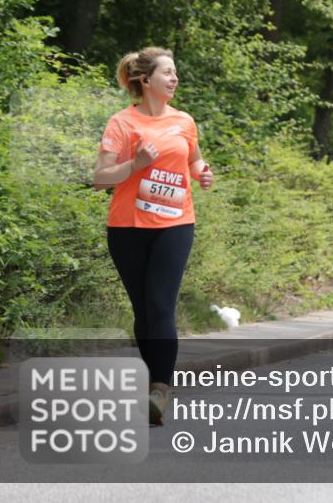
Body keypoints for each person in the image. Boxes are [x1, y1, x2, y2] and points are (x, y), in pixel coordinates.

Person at [93, 47, 214, 426]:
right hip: (127, 228)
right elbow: (100, 178)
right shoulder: (121, 123)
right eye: (167, 72)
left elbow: (193, 159)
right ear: (146, 81)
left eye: (175, 73)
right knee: (144, 310)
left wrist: (202, 172)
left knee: (161, 305)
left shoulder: (184, 121)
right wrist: (136, 164)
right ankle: (152, 385)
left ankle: (160, 390)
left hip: (175, 225)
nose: (174, 79)